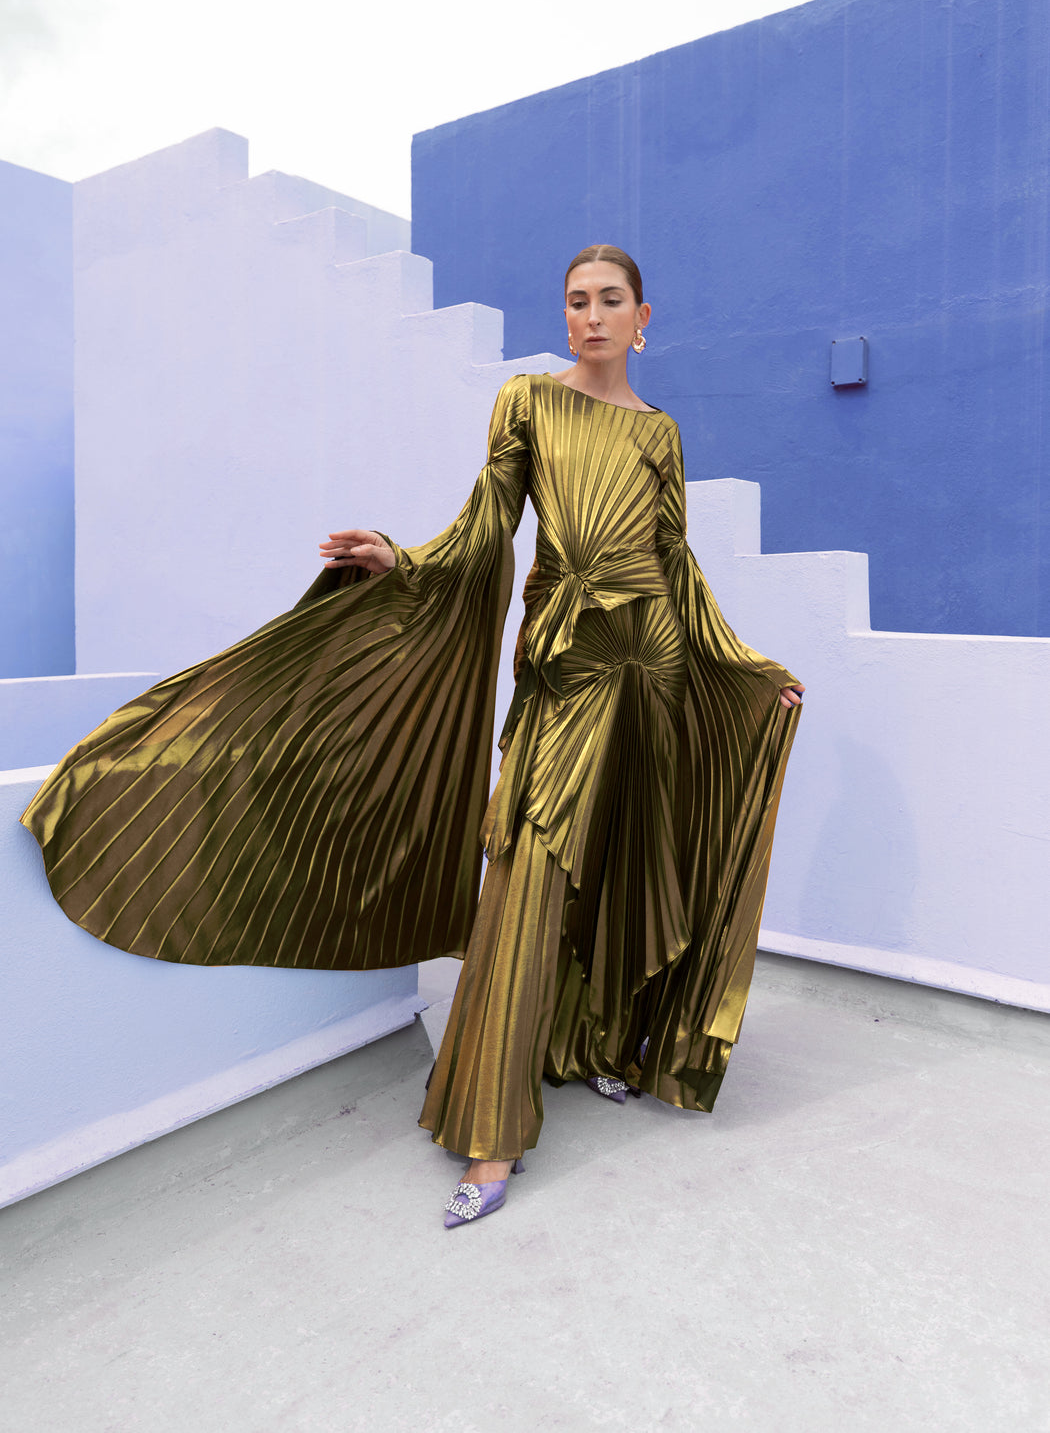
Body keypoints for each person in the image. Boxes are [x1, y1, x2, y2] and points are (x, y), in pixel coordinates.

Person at [22, 244, 803, 1230]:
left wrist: (741, 669)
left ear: (644, 316)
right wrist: (404, 556)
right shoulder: (527, 404)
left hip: (652, 666)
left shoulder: (663, 434)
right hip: (567, 668)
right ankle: (491, 1130)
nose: (593, 316)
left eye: (611, 301)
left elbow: (675, 563)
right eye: (576, 301)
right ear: (563, 316)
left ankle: (590, 1046)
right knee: (530, 868)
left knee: (615, 862)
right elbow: (489, 525)